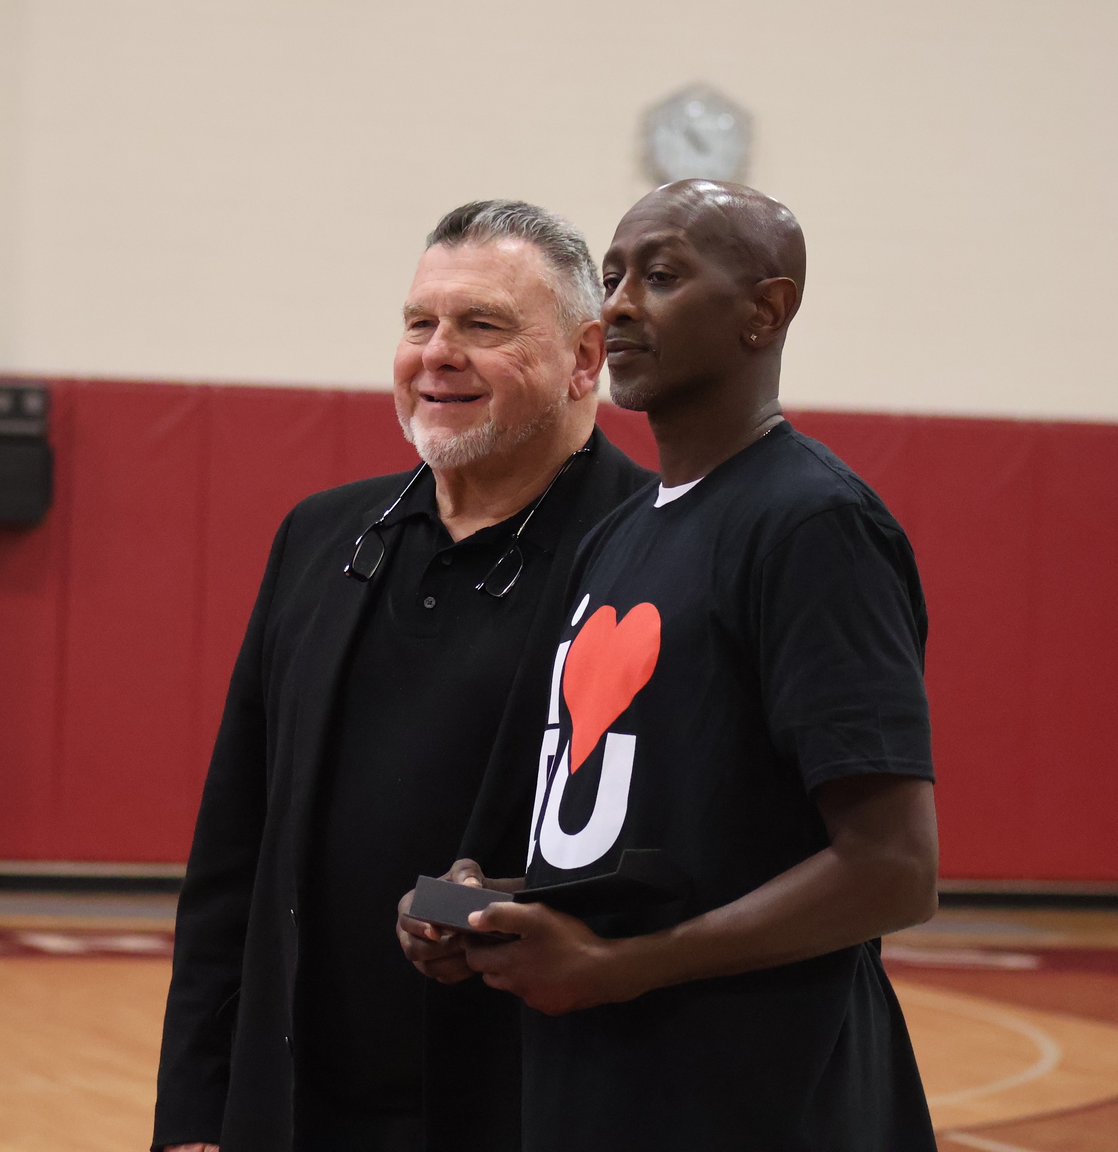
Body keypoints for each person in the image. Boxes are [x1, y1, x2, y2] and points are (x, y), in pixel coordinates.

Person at [401, 181, 940, 1151]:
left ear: (765, 312)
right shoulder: (618, 538)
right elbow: (650, 837)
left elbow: (895, 869)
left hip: (759, 1097)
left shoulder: (815, 524)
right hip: (600, 1084)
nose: (617, 305)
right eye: (611, 277)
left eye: (661, 276)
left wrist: (627, 965)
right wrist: (483, 903)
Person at [152, 200, 653, 1152]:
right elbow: (232, 858)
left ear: (586, 358)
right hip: (296, 1105)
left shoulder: (656, 554)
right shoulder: (319, 537)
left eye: (483, 326)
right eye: (420, 322)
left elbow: (668, 860)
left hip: (525, 1103)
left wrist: (471, 910)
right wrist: (196, 1108)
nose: (437, 353)